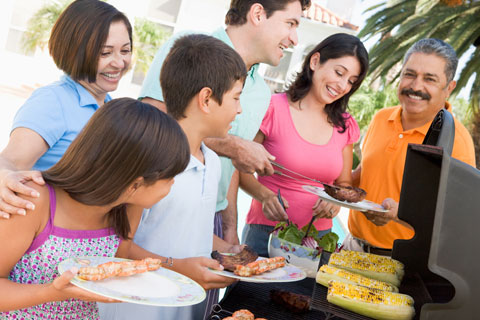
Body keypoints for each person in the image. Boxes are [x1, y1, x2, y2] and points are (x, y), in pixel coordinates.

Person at [138, 0, 311, 245]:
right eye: (290, 23)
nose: (294, 39)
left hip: (213, 218)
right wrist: (234, 146)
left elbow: (229, 169)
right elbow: (149, 120)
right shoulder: (187, 48)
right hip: (156, 209)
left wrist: (229, 228)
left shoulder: (261, 93)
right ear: (258, 14)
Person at [0, 98, 191, 319]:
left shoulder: (127, 207)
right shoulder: (35, 201)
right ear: (135, 184)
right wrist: (52, 292)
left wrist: (180, 268)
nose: (173, 184)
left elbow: (121, 257)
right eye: (170, 178)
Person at [99, 34, 246, 320]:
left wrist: (230, 250)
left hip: (184, 309)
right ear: (206, 99)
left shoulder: (213, 162)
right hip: (136, 310)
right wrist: (177, 267)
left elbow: (191, 227)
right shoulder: (151, 160)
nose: (240, 109)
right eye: (236, 98)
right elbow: (117, 245)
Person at [238, 33, 369, 257]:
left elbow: (344, 184)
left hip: (319, 241)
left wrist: (336, 202)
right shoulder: (272, 108)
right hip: (265, 234)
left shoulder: (346, 126)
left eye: (351, 81)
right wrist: (264, 196)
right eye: (339, 73)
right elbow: (240, 169)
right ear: (315, 61)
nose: (342, 85)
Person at [0, 0, 132, 218]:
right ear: (76, 51)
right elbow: (11, 161)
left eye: (125, 50)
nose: (119, 63)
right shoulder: (53, 101)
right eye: (106, 53)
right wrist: (5, 176)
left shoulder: (112, 107)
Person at [346, 38, 476, 253]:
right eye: (410, 74)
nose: (416, 86)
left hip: (403, 263)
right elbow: (365, 173)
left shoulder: (457, 141)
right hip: (352, 248)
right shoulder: (381, 118)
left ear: (449, 88)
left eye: (429, 79)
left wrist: (400, 215)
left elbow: (457, 220)